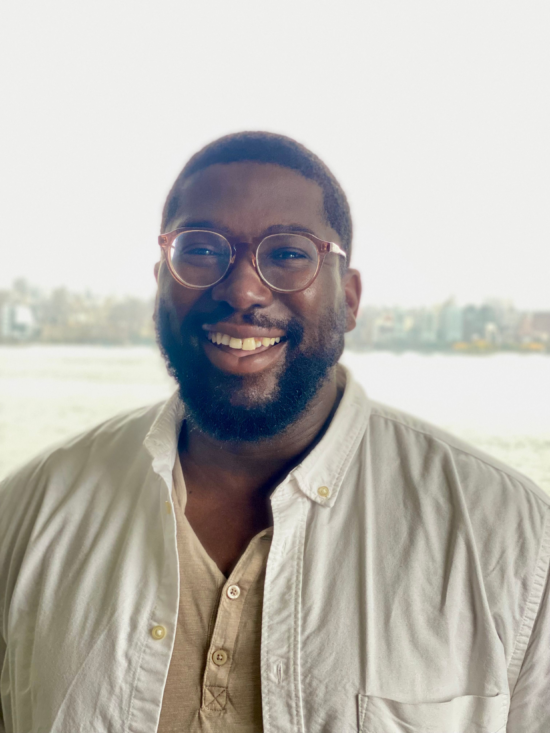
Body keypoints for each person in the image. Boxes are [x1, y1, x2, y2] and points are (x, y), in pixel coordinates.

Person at [0, 131, 548, 733]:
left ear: (350, 298)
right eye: (202, 250)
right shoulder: (28, 512)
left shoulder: (512, 541)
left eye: (288, 253)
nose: (241, 289)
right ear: (160, 282)